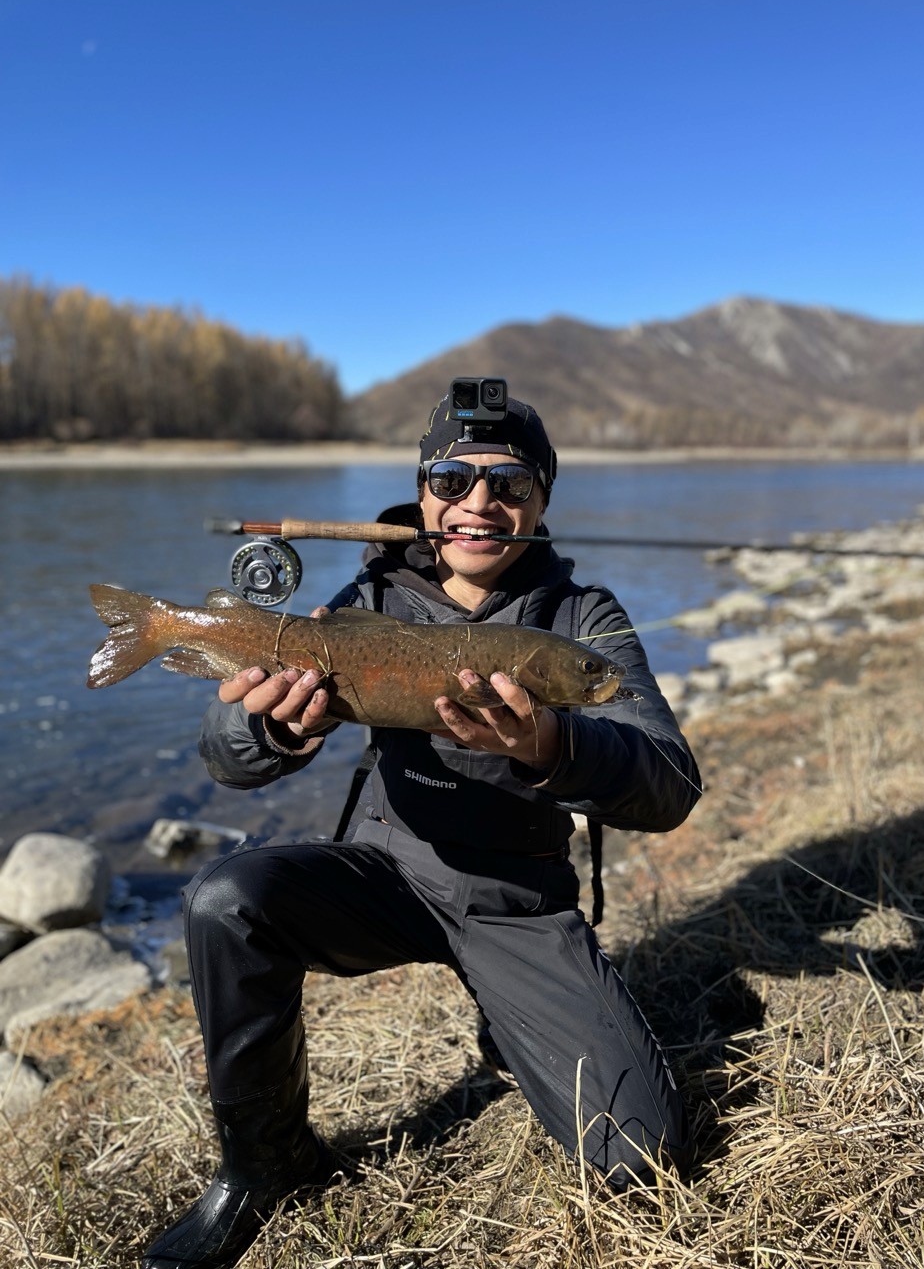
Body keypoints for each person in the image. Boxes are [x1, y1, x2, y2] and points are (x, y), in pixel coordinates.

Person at [142, 390, 702, 1269]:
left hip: (517, 907)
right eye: (454, 478)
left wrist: (554, 745)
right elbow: (225, 755)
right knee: (225, 899)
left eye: (510, 483)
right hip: (387, 878)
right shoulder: (371, 596)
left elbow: (670, 784)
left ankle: (515, 1011)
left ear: (542, 501)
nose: (481, 502)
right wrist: (274, 726)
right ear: (425, 495)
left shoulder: (583, 620)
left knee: (643, 1159)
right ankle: (264, 1165)